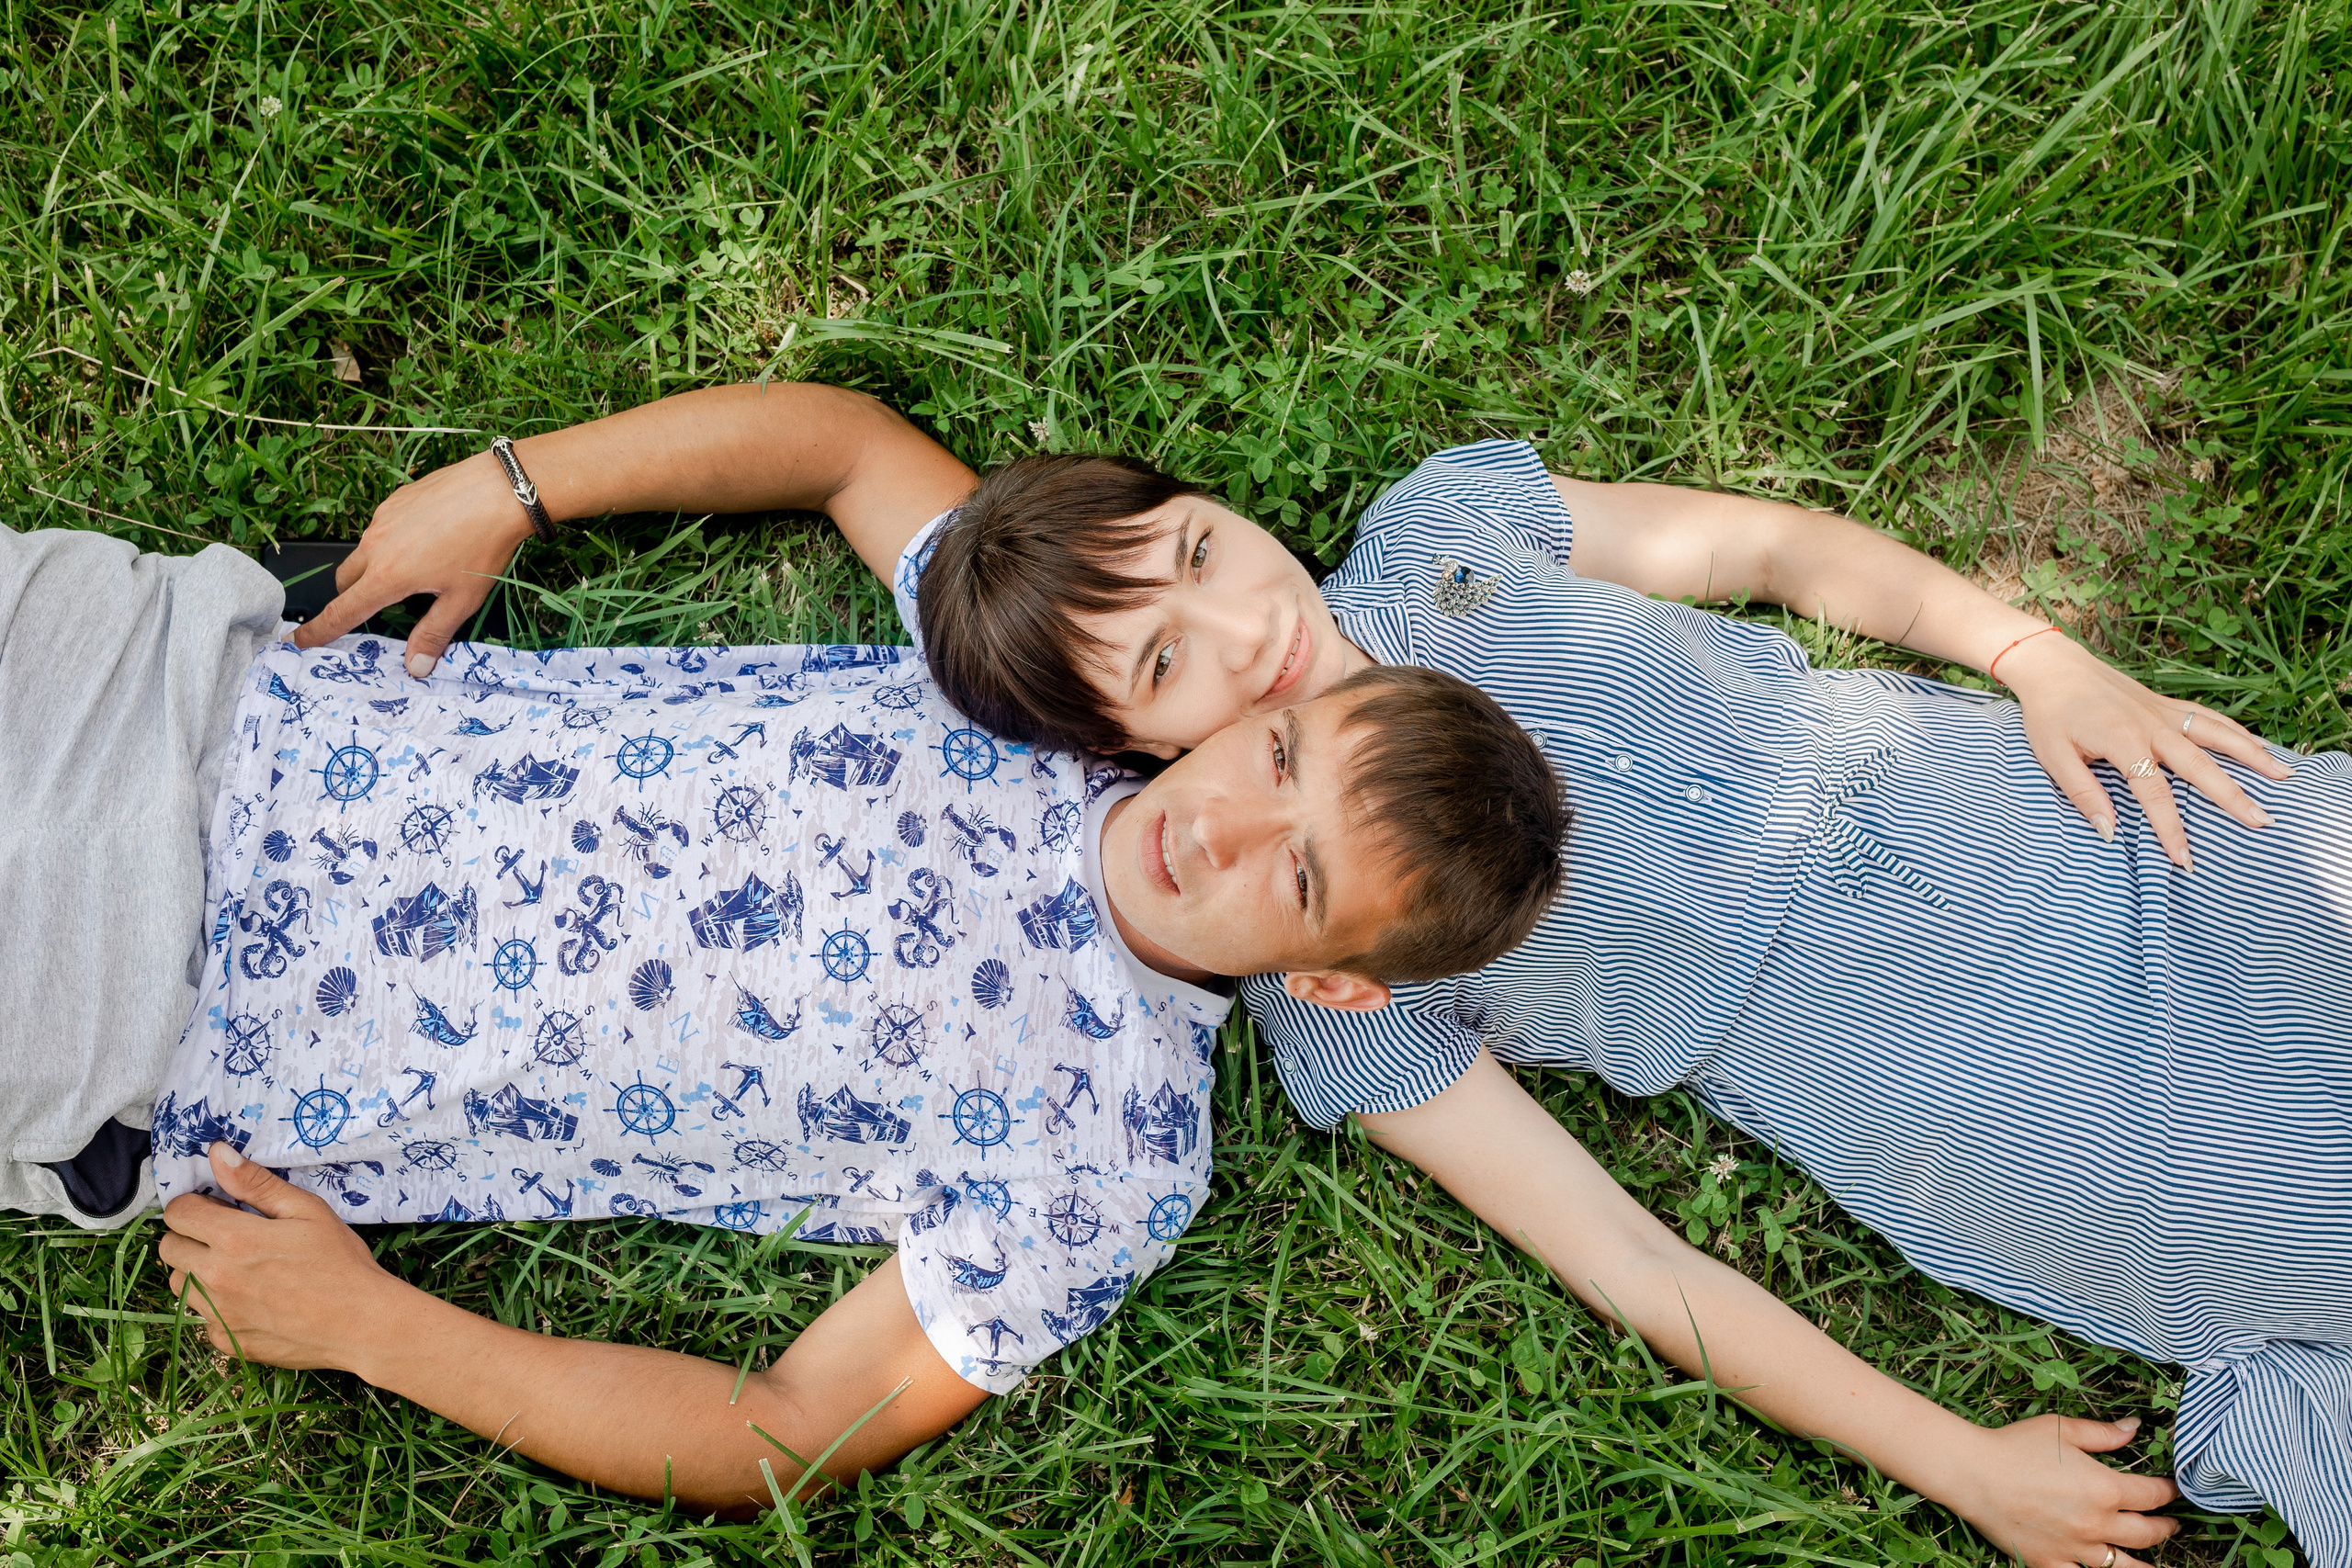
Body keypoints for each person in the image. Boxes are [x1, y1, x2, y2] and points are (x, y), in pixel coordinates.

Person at [320, 379, 2350, 1568]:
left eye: (1204, 551)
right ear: (1120, 753)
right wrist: (1955, 1460)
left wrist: (2033, 655)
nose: (1244, 630)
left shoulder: (1450, 537)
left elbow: (1769, 558)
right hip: (1992, 1094)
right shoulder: (1334, 994)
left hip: (2063, 829)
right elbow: (1635, 1261)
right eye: (1166, 670)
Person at [0, 519, 1566, 1515]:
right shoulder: (1054, 689)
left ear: (1334, 982)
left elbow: (790, 1429)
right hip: (186, 679)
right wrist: (515, 486)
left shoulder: (1116, 1160)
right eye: (1278, 760)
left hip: (142, 1013)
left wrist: (378, 1331)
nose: (1218, 827)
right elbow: (840, 446)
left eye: (1298, 877)